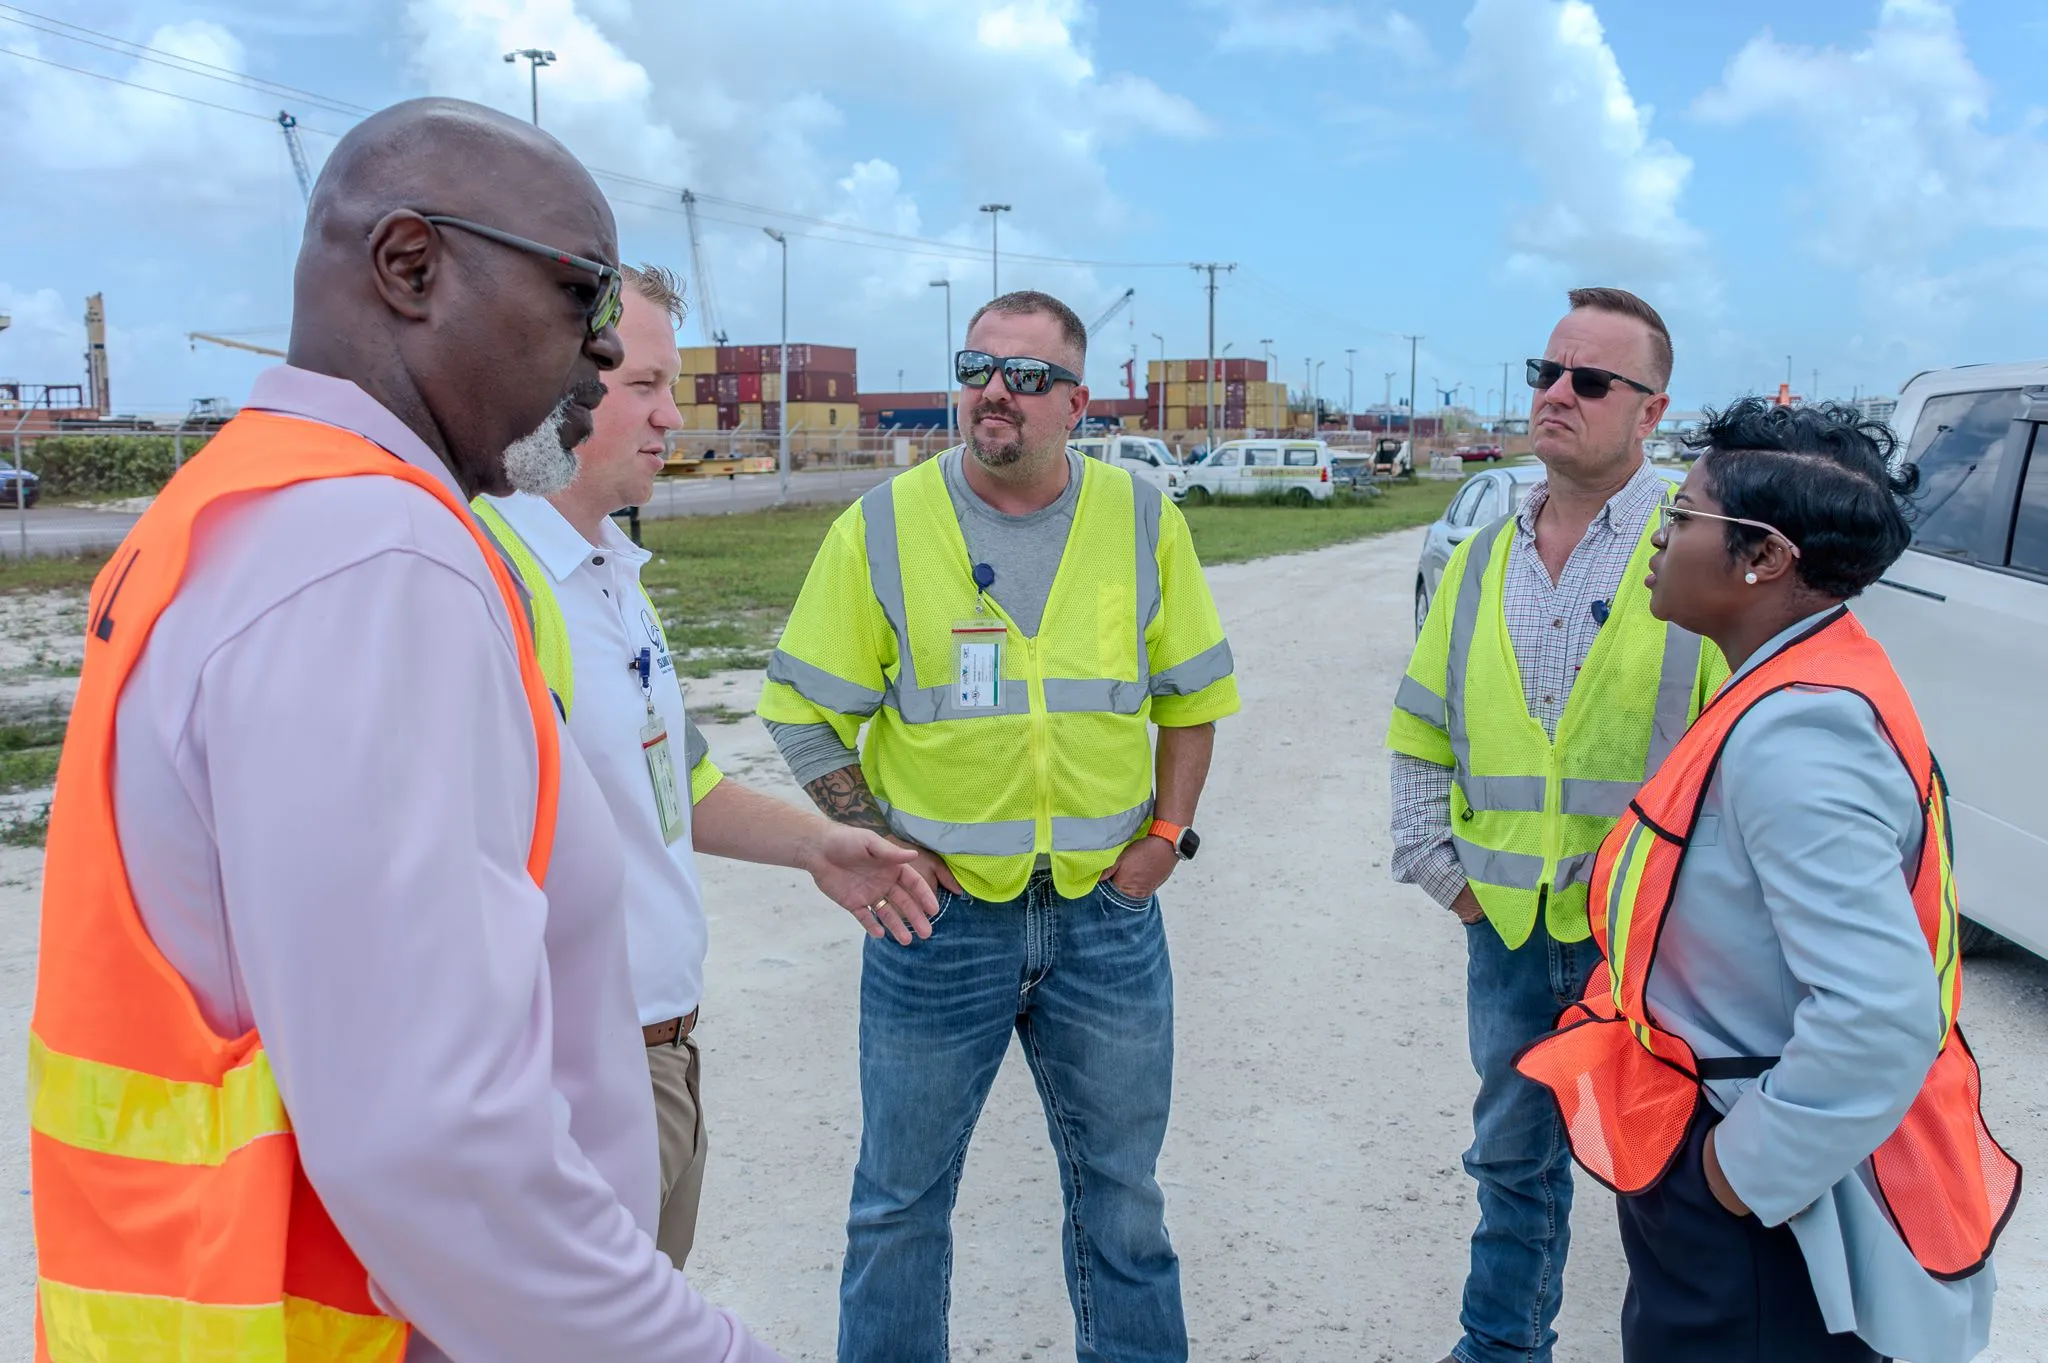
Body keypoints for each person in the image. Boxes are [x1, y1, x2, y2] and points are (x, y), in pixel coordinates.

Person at [27, 99, 780, 1361]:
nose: (600, 361)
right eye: (580, 297)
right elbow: (435, 1142)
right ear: (410, 266)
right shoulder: (372, 557)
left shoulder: (240, 505)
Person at [758, 290, 1239, 1362]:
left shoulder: (1141, 516)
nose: (993, 392)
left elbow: (1191, 694)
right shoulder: (881, 525)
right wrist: (877, 847)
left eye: (1024, 377)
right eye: (976, 366)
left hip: (1102, 922)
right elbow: (799, 707)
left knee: (1123, 1201)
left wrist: (1164, 836)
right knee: (896, 1208)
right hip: (937, 929)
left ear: (1077, 402)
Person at [1516, 398, 2018, 1363]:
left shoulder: (1802, 732)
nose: (1657, 539)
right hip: (1738, 1178)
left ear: (1765, 557)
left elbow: (1879, 1015)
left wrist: (1732, 1177)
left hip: (1765, 1222)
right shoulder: (1792, 682)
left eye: (1685, 518)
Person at [474, 263, 938, 1269]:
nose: (672, 418)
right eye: (643, 386)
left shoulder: (605, 575)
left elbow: (674, 788)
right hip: (572, 1074)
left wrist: (821, 844)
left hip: (662, 1056)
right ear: (559, 382)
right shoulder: (491, 586)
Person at [1385, 287, 1727, 1363]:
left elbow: (1742, 740)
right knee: (1512, 1162)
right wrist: (1442, 871)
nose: (1555, 395)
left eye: (1588, 380)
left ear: (1650, 409)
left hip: (1653, 943)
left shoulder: (1699, 549)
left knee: (1675, 1172)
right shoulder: (1483, 552)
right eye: (1544, 373)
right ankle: (1497, 1350)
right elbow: (1420, 721)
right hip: (1510, 924)